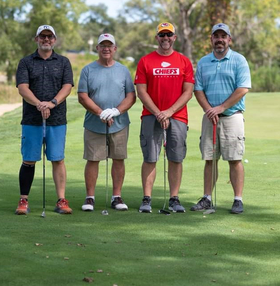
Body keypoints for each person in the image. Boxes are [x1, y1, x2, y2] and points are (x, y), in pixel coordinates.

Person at [134, 22, 195, 213]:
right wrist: (158, 113)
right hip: (151, 116)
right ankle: (147, 199)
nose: (166, 38)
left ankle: (174, 199)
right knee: (150, 157)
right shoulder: (145, 61)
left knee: (175, 158)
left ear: (175, 37)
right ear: (157, 38)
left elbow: (188, 92)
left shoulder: (184, 61)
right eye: (162, 35)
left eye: (169, 35)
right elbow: (141, 92)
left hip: (177, 117)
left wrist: (168, 112)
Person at [192, 23, 251, 214]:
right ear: (211, 39)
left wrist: (221, 108)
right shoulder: (203, 62)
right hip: (210, 117)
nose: (219, 39)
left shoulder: (239, 60)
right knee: (210, 159)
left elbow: (242, 88)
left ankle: (238, 200)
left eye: (223, 36)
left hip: (231, 116)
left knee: (235, 158)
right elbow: (198, 89)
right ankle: (207, 198)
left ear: (229, 39)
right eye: (216, 36)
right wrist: (210, 110)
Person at [15, 24, 74, 215]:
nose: (46, 40)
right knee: (29, 160)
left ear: (54, 40)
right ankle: (23, 200)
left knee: (57, 159)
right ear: (36, 39)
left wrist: (52, 103)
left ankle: (61, 200)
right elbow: (23, 88)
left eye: (50, 37)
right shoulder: (26, 62)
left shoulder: (64, 62)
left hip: (56, 119)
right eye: (43, 36)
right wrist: (40, 104)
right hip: (32, 119)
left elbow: (67, 87)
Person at [77, 33, 136, 211]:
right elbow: (82, 96)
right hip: (94, 123)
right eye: (102, 45)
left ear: (115, 48)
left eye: (109, 45)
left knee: (118, 159)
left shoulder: (123, 70)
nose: (106, 48)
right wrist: (100, 113)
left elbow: (131, 96)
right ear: (97, 48)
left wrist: (116, 111)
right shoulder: (88, 70)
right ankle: (90, 198)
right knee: (93, 159)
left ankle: (116, 197)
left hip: (119, 124)